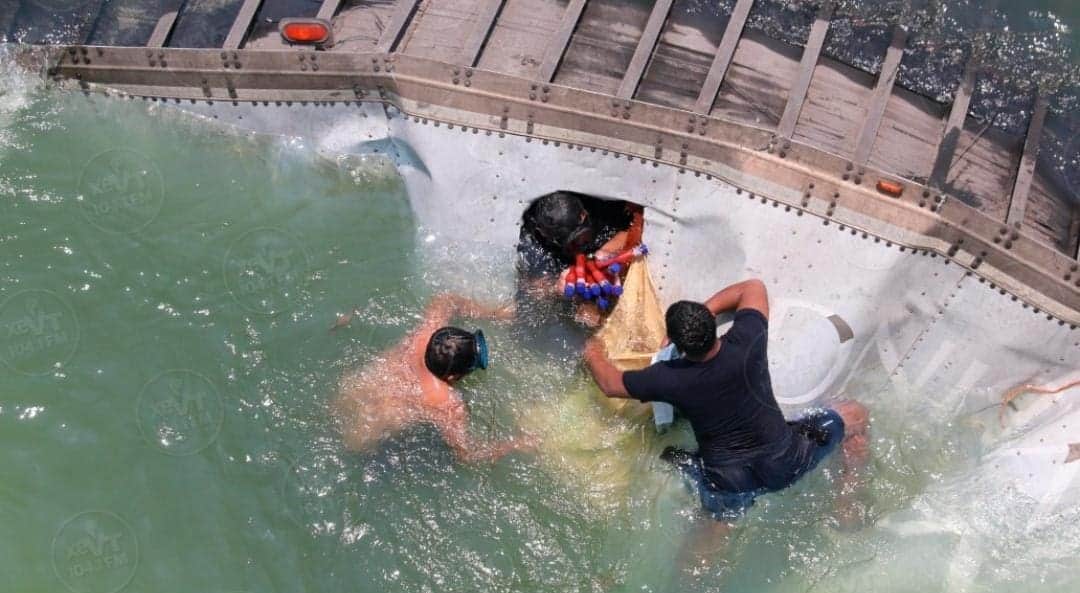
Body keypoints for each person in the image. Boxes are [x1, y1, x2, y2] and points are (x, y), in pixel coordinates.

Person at [583, 279, 869, 534]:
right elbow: (753, 287)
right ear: (712, 328)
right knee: (856, 414)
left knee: (716, 531)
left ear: (677, 346)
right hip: (786, 461)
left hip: (730, 480)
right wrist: (708, 309)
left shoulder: (667, 377)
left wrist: (592, 351)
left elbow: (610, 384)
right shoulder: (747, 341)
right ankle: (847, 494)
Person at [335, 293, 534, 463]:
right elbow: (467, 455)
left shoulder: (424, 335)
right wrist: (516, 444)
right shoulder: (446, 402)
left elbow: (446, 299)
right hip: (361, 444)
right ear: (453, 377)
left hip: (345, 398)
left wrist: (493, 313)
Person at [517, 191, 642, 326]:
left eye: (583, 235)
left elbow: (636, 226)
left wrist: (608, 250)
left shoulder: (603, 210)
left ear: (585, 215)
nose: (580, 246)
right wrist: (556, 287)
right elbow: (532, 289)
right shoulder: (535, 243)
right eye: (572, 244)